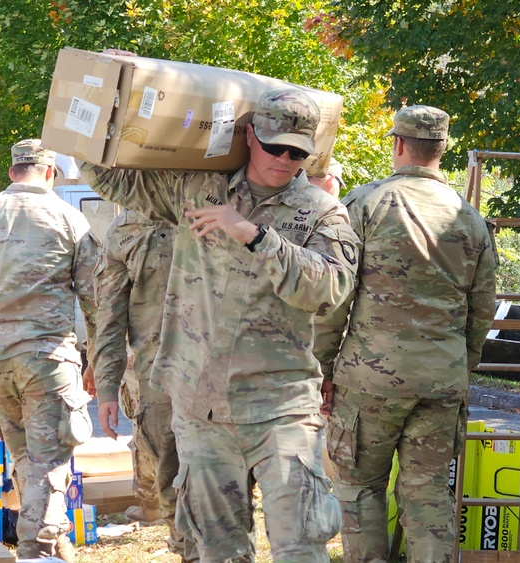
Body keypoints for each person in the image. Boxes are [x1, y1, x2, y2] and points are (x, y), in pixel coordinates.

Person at [80, 85, 358, 561]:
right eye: (275, 146)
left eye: (297, 152)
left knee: (301, 545)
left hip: (281, 408)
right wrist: (109, 90)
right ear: (250, 135)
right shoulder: (197, 189)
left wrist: (253, 235)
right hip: (201, 409)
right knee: (217, 550)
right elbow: (111, 178)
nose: (284, 159)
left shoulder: (321, 211)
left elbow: (330, 291)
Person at [315, 105, 497, 562]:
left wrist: (322, 367)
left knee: (359, 489)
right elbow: (482, 309)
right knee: (428, 495)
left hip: (369, 382)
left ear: (398, 144)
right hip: (441, 383)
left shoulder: (366, 203)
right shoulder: (470, 218)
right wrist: (461, 368)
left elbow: (335, 296)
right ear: (442, 149)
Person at [0, 139, 99, 562]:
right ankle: (38, 551)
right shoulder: (69, 218)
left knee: (27, 459)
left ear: (14, 172)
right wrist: (99, 359)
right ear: (50, 173)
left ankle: (57, 545)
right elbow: (94, 297)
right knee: (48, 463)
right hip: (47, 357)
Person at [84, 208, 190, 557]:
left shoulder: (214, 205)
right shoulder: (125, 230)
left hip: (227, 372)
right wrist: (107, 387)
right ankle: (186, 549)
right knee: (171, 476)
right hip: (161, 377)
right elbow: (110, 318)